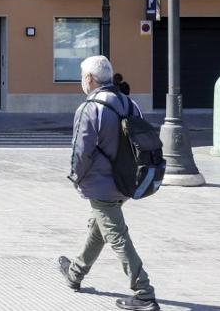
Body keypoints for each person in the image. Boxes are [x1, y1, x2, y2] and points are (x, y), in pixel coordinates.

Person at [58, 55, 159, 311]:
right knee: (101, 226)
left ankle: (143, 292)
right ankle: (75, 274)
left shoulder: (90, 107)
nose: (83, 82)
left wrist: (76, 177)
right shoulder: (130, 104)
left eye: (83, 77)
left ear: (90, 79)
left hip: (101, 183)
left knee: (116, 234)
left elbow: (81, 151)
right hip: (127, 182)